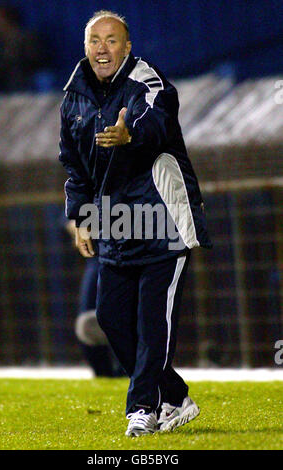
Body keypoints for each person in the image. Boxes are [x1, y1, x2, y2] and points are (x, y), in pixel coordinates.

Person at [59, 10, 212, 436]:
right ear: (86, 47)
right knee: (109, 318)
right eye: (95, 40)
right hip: (115, 225)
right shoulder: (73, 95)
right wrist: (82, 217)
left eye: (112, 40)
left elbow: (158, 122)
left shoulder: (148, 81)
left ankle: (142, 408)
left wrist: (130, 135)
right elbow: (75, 167)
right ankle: (176, 398)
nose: (103, 48)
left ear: (127, 47)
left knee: (151, 324)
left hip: (162, 223)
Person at [64, 219, 125, 377]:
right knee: (87, 322)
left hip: (126, 259)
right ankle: (102, 372)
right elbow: (71, 221)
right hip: (97, 261)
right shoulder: (81, 197)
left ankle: (128, 371)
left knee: (126, 318)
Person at [0, 4, 50, 92]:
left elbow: (36, 62)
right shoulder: (3, 44)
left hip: (28, 87)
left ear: (6, 20)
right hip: (8, 87)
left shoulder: (27, 39)